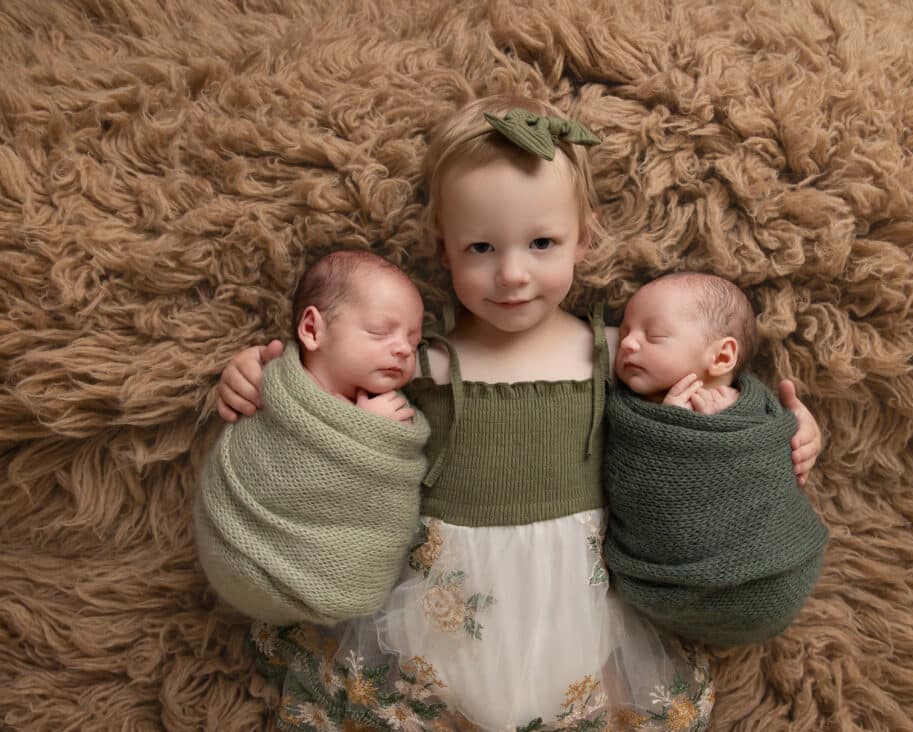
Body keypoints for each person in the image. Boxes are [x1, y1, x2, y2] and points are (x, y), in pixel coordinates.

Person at [210, 96, 823, 730]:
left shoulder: (617, 351)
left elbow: (716, 405)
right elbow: (319, 397)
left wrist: (790, 429)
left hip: (572, 597)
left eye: (541, 243)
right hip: (445, 594)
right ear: (443, 248)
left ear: (583, 237)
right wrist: (256, 377)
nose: (511, 274)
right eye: (480, 247)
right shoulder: (417, 362)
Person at [194, 251, 431, 627]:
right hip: (240, 545)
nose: (403, 349)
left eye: (414, 341)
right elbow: (283, 473)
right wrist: (364, 430)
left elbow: (381, 504)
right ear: (312, 329)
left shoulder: (387, 408)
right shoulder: (275, 389)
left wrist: (377, 433)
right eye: (380, 332)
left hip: (333, 577)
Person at [604, 272, 829, 647]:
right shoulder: (631, 413)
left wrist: (801, 428)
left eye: (653, 336)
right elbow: (631, 483)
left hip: (780, 571)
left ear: (722, 356)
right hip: (671, 587)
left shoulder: (756, 406)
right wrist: (668, 430)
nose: (627, 344)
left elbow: (773, 460)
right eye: (624, 331)